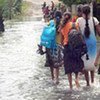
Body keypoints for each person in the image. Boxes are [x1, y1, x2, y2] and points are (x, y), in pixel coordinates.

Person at [76, 5, 100, 86]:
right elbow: (99, 32)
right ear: (90, 12)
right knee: (93, 62)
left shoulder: (78, 20)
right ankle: (93, 81)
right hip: (93, 43)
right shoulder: (94, 19)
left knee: (85, 63)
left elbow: (78, 33)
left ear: (82, 12)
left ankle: (88, 83)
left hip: (84, 44)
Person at [60, 12, 84, 90]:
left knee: (68, 67)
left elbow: (61, 41)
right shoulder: (75, 25)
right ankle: (76, 79)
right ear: (70, 18)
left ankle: (70, 86)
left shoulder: (62, 27)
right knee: (76, 64)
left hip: (67, 47)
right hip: (76, 48)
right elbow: (79, 36)